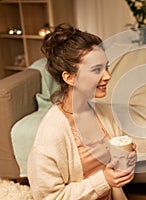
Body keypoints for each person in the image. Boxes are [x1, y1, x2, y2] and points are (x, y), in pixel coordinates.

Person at [27, 23, 136, 200]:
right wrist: (104, 180)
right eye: (96, 70)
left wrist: (126, 157)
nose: (107, 75)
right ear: (69, 77)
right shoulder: (50, 135)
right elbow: (49, 197)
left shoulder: (104, 114)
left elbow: (113, 169)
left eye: (106, 67)